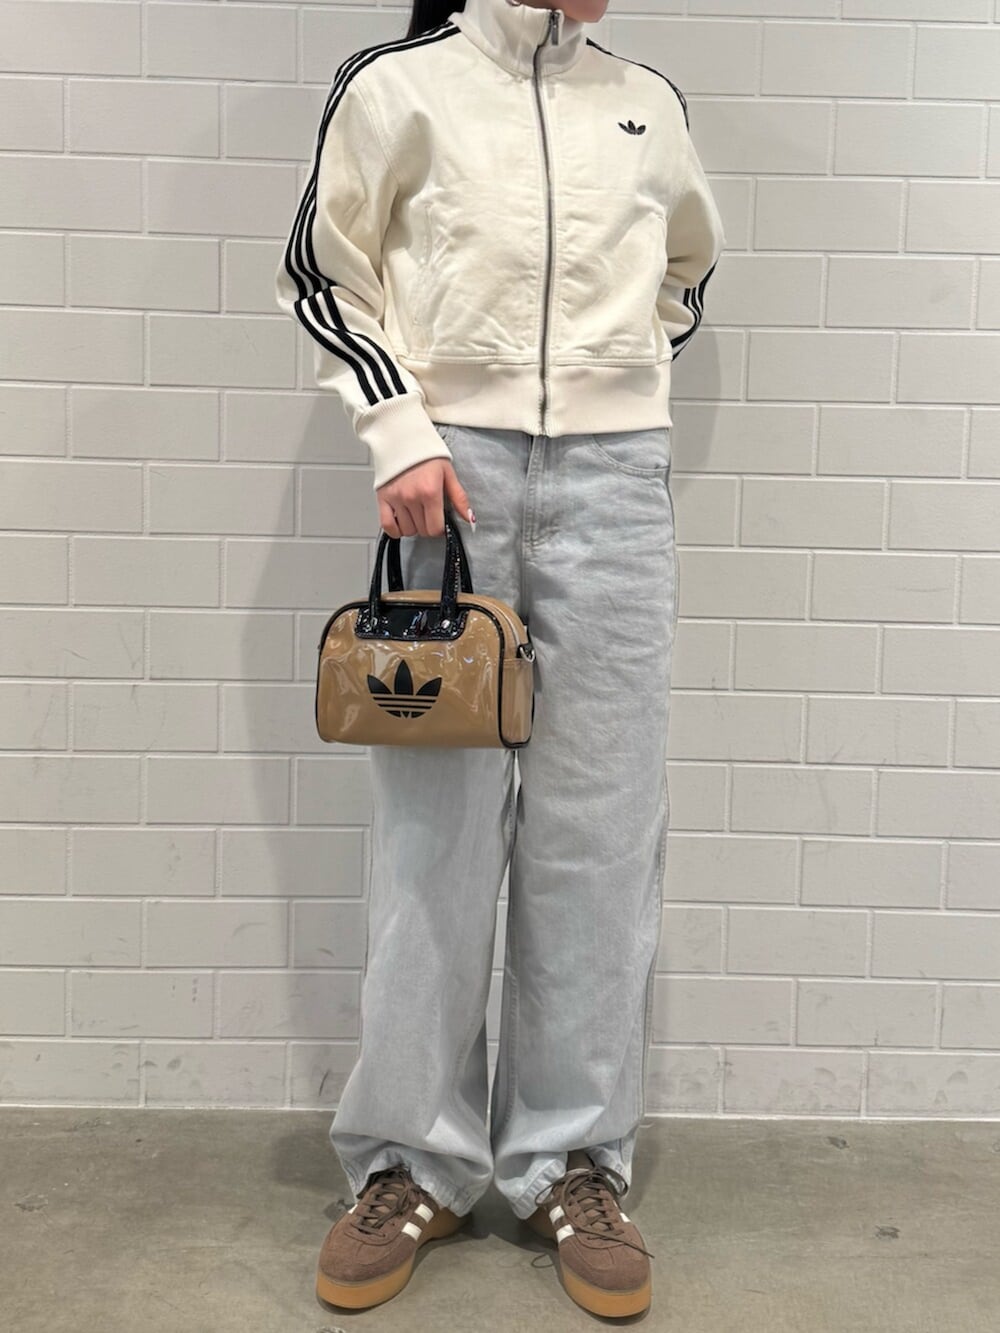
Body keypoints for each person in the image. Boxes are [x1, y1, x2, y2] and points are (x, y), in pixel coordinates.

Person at [274, 0, 725, 1318]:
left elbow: (687, 270)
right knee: (437, 837)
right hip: (448, 477)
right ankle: (410, 1162)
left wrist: (610, 371)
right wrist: (401, 425)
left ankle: (572, 1162)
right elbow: (325, 271)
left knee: (599, 835)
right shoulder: (398, 84)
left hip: (616, 486)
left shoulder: (644, 100)